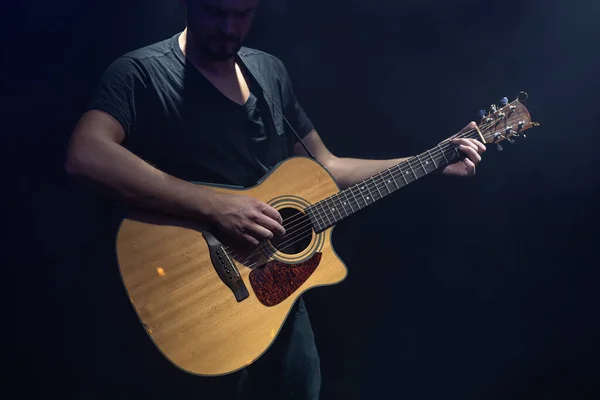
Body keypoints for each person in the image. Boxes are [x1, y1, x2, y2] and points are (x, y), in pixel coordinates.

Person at [65, 0, 486, 398]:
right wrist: (216, 207)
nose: (228, 28)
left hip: (274, 294)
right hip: (190, 294)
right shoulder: (141, 72)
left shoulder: (268, 71)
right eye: (215, 12)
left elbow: (327, 167)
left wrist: (430, 159)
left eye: (242, 13)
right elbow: (86, 154)